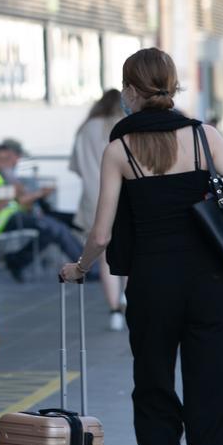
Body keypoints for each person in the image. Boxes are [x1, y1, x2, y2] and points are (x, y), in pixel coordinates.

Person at [60, 48, 223, 445]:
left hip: (150, 289)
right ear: (172, 85)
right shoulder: (204, 137)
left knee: (152, 395)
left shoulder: (118, 149)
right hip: (209, 288)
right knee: (212, 407)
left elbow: (102, 233)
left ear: (129, 90)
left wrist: (79, 269)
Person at [0, 142, 84, 281]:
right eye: (2, 158)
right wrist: (13, 196)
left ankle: (16, 260)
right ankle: (86, 268)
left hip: (16, 215)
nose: (5, 162)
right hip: (0, 222)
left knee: (51, 229)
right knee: (53, 227)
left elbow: (19, 198)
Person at [69, 89, 127, 331]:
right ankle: (126, 295)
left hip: (93, 198)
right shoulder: (123, 124)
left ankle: (114, 309)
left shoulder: (86, 128)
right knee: (129, 248)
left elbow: (76, 166)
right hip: (123, 195)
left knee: (104, 254)